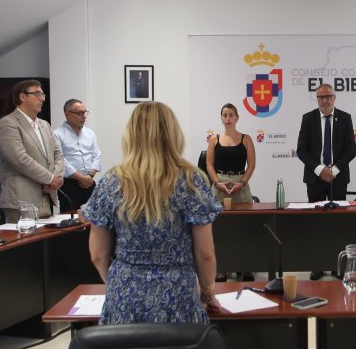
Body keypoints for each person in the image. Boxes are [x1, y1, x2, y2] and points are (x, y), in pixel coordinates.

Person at [82, 102, 222, 324]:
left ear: (131, 135)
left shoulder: (110, 182)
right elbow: (205, 253)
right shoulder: (191, 180)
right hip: (178, 296)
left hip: (124, 296)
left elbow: (97, 254)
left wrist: (118, 284)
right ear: (173, 134)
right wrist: (207, 293)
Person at [297, 84, 356, 279]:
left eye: (328, 97)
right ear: (317, 99)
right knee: (317, 224)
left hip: (338, 179)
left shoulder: (345, 118)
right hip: (315, 178)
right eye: (320, 97)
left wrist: (334, 170)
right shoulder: (308, 118)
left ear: (334, 97)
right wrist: (320, 169)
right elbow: (302, 150)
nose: (324, 100)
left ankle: (337, 266)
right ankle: (317, 265)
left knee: (338, 224)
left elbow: (350, 150)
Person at [0, 80, 65, 222]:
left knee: (47, 243)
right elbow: (19, 159)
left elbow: (57, 154)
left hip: (47, 195)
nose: (42, 98)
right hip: (21, 199)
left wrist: (56, 178)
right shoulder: (8, 123)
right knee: (25, 243)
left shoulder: (44, 124)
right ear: (23, 97)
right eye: (37, 94)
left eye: (43, 95)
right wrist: (50, 178)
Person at [205, 103, 256, 282]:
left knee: (246, 226)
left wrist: (241, 183)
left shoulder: (246, 139)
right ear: (221, 118)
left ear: (237, 117)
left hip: (240, 185)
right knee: (219, 228)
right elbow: (209, 165)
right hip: (220, 185)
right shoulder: (214, 140)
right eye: (224, 115)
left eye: (231, 115)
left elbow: (251, 165)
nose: (228, 118)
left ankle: (246, 267)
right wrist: (217, 183)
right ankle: (221, 268)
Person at [53, 98, 102, 214]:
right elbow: (60, 159)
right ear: (67, 114)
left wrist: (89, 176)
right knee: (70, 219)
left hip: (89, 182)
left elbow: (97, 154)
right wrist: (81, 178)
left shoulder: (90, 133)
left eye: (84, 112)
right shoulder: (57, 134)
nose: (83, 116)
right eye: (79, 113)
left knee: (92, 217)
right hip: (69, 185)